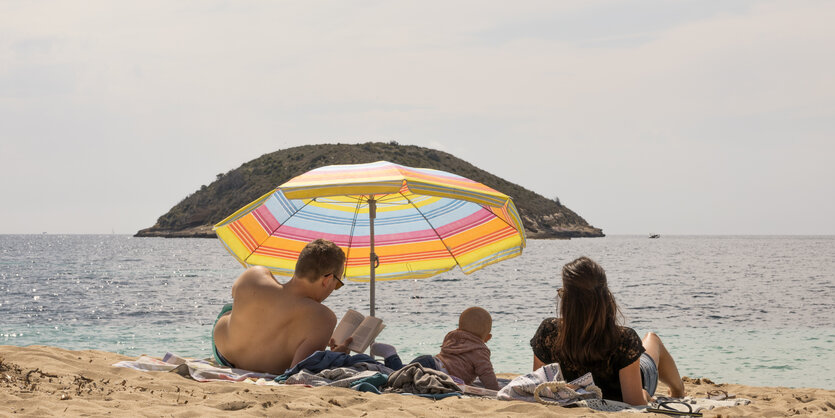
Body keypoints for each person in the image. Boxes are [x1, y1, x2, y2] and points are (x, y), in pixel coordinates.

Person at [529, 257, 685, 405]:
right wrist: (644, 394)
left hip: (605, 385)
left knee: (650, 343)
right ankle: (678, 390)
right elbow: (635, 403)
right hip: (634, 381)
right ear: (605, 298)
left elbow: (539, 387)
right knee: (652, 339)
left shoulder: (548, 331)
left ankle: (677, 389)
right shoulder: (625, 339)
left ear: (568, 300)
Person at [211, 239, 351, 374]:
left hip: (223, 353)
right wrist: (335, 356)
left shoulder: (254, 274)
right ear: (327, 280)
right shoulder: (324, 317)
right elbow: (299, 370)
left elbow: (236, 294)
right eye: (337, 283)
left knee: (234, 307)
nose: (334, 288)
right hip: (265, 369)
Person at [371, 306, 500, 390]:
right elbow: (486, 373)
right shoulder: (480, 350)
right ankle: (391, 355)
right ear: (488, 337)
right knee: (400, 376)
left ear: (459, 328)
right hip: (434, 371)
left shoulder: (453, 336)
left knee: (401, 373)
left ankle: (388, 359)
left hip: (431, 361)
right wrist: (495, 389)